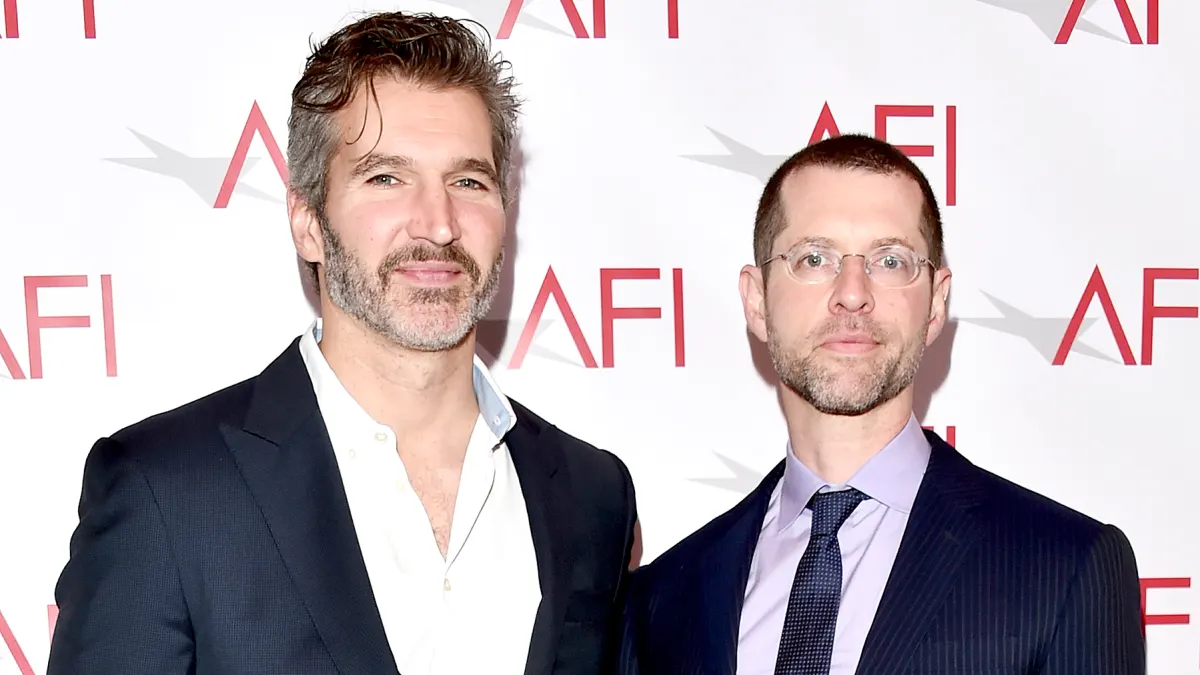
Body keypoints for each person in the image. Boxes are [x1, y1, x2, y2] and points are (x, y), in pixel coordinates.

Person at [47, 11, 638, 675]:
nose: (439, 223)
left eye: (468, 181)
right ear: (308, 223)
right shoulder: (167, 489)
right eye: (387, 177)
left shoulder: (593, 495)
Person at [617, 134, 1144, 674]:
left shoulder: (1064, 568)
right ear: (757, 301)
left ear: (935, 303)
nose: (852, 292)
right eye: (814, 258)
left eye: (890, 261)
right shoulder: (664, 601)